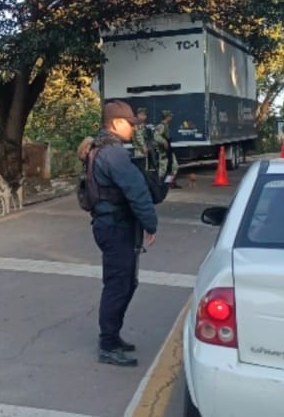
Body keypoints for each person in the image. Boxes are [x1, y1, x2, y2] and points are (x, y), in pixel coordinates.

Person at [83, 100, 159, 367]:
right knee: (119, 285)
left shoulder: (98, 148)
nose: (133, 128)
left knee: (125, 283)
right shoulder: (114, 153)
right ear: (116, 123)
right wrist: (151, 223)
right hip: (116, 227)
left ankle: (113, 337)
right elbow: (136, 191)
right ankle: (108, 345)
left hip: (109, 225)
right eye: (130, 123)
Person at [152, 110, 181, 189]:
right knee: (163, 169)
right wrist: (163, 141)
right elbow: (156, 136)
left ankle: (169, 182)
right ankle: (159, 184)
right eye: (170, 116)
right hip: (163, 151)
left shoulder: (166, 126)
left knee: (174, 166)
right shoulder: (161, 126)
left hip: (168, 150)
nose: (171, 117)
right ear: (167, 117)